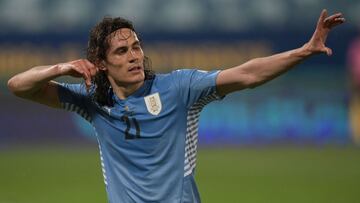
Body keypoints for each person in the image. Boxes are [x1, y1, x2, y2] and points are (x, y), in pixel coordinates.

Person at [7, 9, 344, 203]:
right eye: (121, 52)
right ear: (102, 64)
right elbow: (18, 86)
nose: (135, 56)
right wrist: (59, 69)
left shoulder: (180, 87)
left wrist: (302, 51)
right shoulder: (91, 102)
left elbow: (248, 74)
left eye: (136, 47)